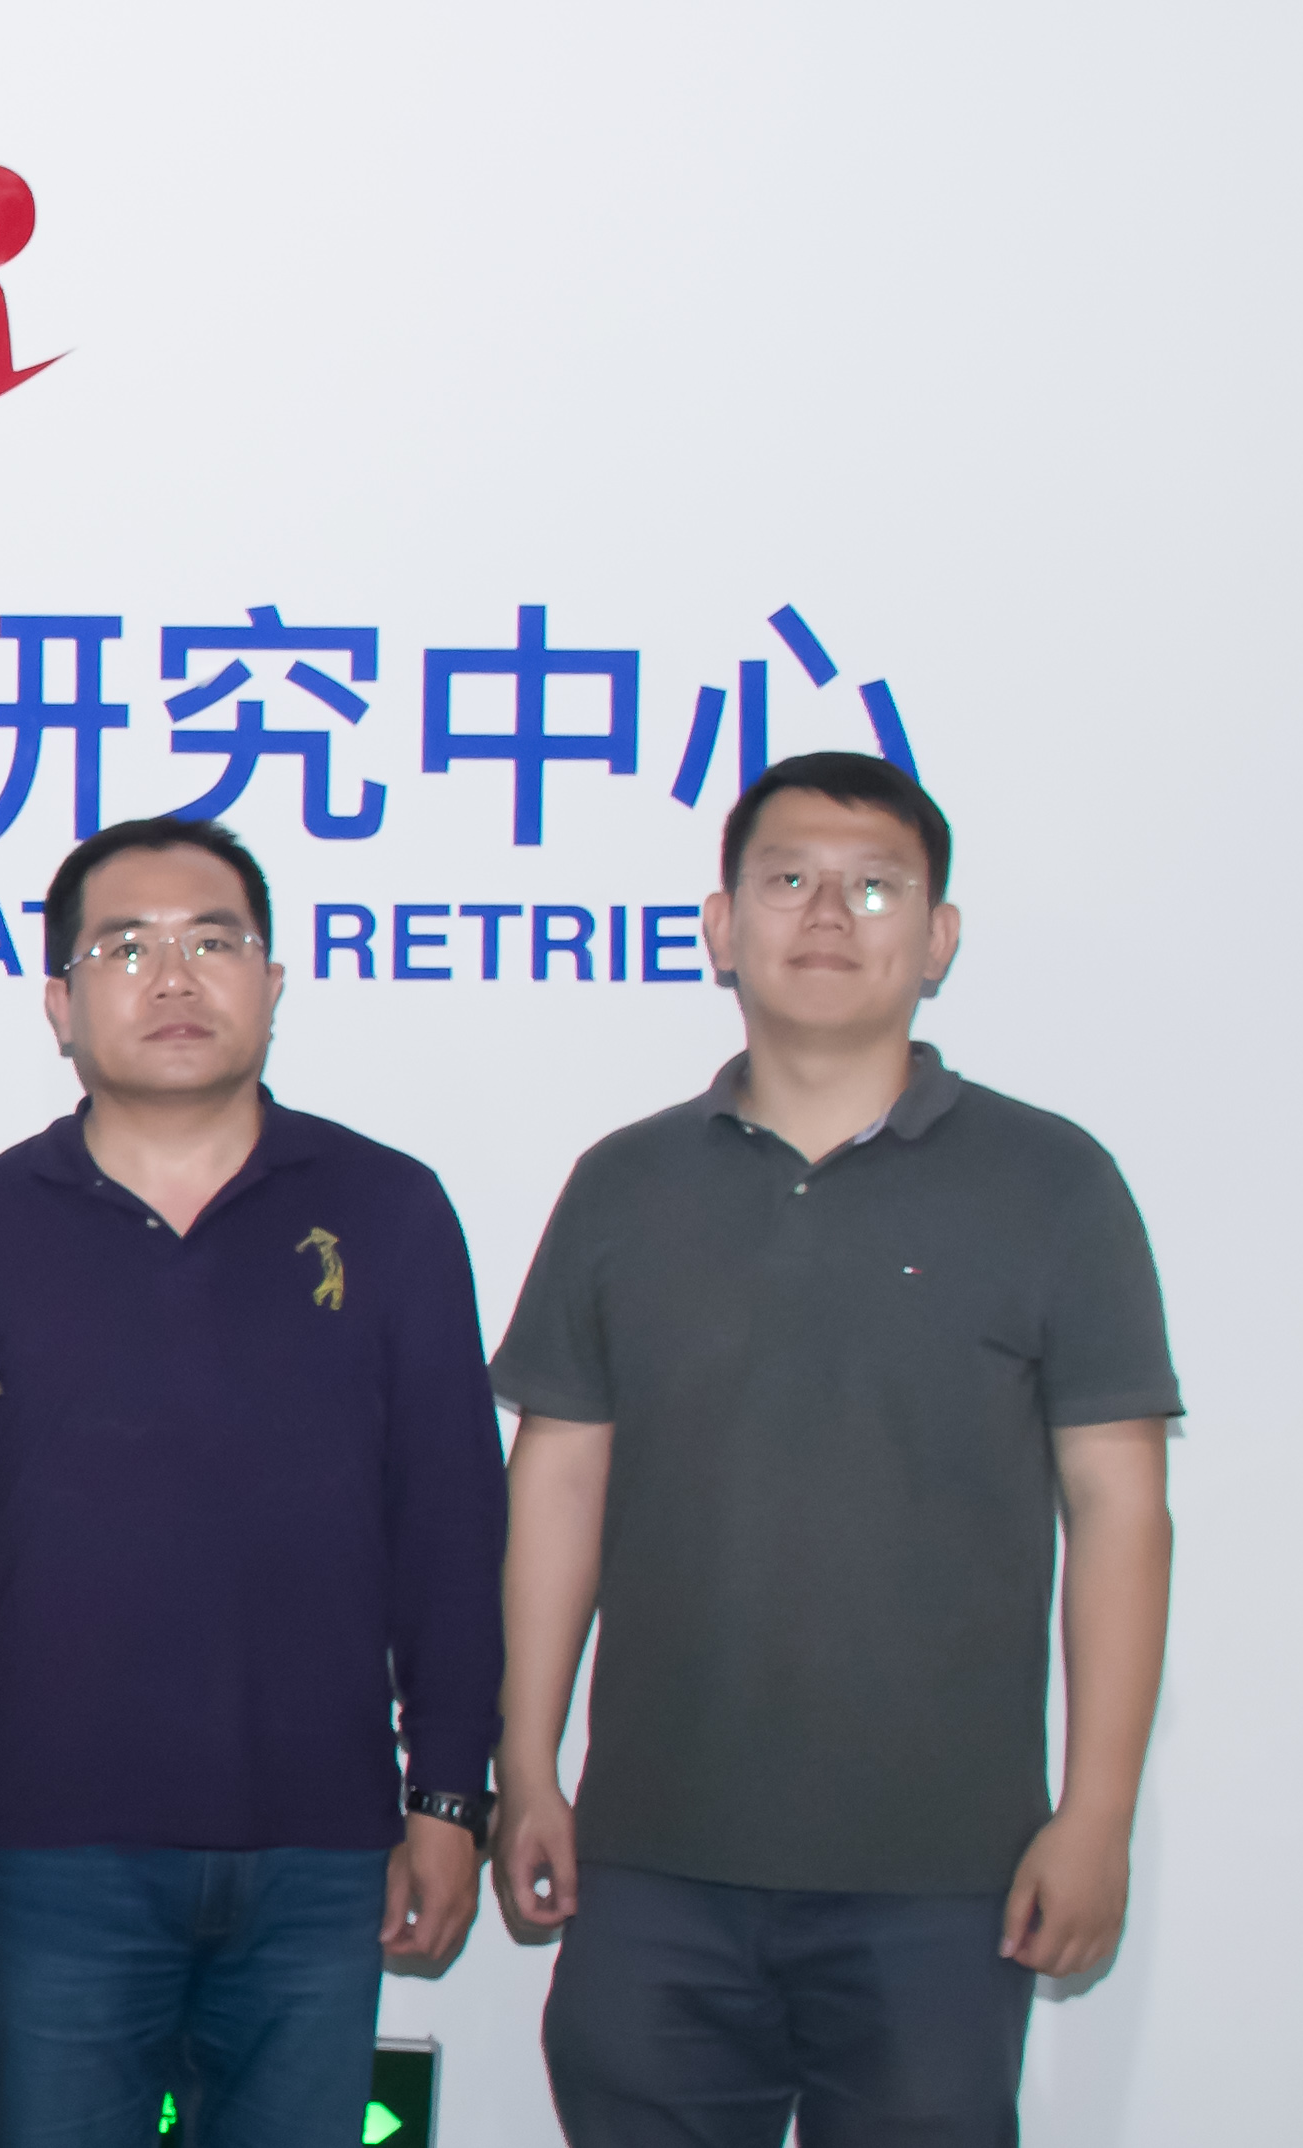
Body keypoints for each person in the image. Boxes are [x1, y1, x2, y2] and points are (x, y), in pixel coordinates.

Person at [492, 752, 1174, 2147]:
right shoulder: (627, 1183)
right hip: (653, 1857)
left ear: (939, 938)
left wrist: (1097, 1813)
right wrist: (528, 1764)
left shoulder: (1055, 1184)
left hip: (944, 1874)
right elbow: (557, 1482)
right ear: (720, 925)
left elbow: (1121, 1509)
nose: (826, 915)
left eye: (874, 888)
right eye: (788, 879)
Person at [0, 817, 503, 2148]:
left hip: (323, 1847)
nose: (174, 978)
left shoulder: (387, 1210)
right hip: (49, 1847)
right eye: (125, 948)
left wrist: (448, 1794)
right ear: (59, 1003)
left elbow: (451, 1524)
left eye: (213, 942)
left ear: (272, 981)